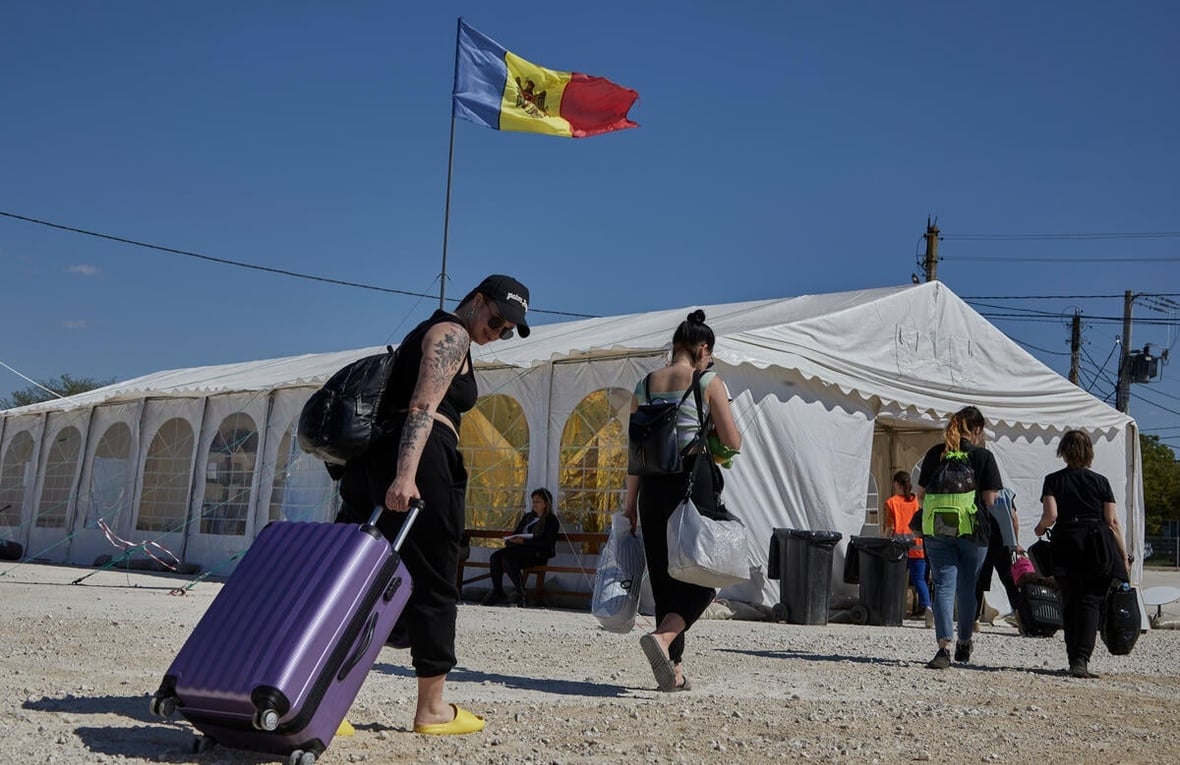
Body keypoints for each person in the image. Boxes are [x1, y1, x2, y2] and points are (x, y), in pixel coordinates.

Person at [334, 274, 531, 735]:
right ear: (476, 300)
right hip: (421, 458)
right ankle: (432, 708)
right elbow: (423, 405)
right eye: (497, 319)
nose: (497, 331)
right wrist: (406, 474)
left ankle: (324, 695)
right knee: (436, 575)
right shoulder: (451, 334)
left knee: (353, 576)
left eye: (507, 330)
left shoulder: (426, 333)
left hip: (375, 458)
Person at [622, 310, 742, 692]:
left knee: (664, 579)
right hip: (692, 482)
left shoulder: (644, 385)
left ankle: (672, 671)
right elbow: (733, 441)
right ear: (703, 348)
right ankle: (662, 639)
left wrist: (629, 507)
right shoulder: (708, 381)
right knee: (707, 575)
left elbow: (635, 454)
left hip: (652, 487)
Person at [1034, 429, 1130, 679]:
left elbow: (1051, 515)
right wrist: (1123, 555)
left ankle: (1072, 658)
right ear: (1089, 453)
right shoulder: (1101, 482)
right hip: (1097, 545)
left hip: (1067, 542)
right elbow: (1112, 521)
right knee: (1090, 603)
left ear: (1063, 452)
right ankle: (1082, 660)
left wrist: (1040, 528)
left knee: (1069, 601)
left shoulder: (1053, 480)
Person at [916, 405, 1002, 669]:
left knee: (943, 584)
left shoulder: (934, 454)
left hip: (938, 527)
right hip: (973, 531)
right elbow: (990, 499)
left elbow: (920, 495)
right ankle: (964, 641)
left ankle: (944, 648)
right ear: (976, 430)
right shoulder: (983, 457)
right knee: (967, 586)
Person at [482, 487, 560, 607]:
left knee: (508, 558)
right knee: (495, 557)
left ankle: (521, 594)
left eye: (538, 501)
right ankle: (498, 592)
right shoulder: (528, 517)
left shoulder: (551, 520)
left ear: (546, 503)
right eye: (533, 501)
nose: (534, 504)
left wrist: (524, 542)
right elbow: (518, 532)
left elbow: (546, 542)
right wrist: (512, 539)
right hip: (519, 549)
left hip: (537, 553)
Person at [882, 471, 932, 628]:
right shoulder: (916, 500)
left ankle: (892, 609)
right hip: (918, 546)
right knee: (919, 580)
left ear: (897, 484)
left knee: (894, 580)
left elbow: (890, 528)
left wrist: (884, 542)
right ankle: (928, 607)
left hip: (898, 548)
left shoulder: (891, 502)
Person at [974, 486, 1024, 632]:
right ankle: (1021, 614)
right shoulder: (1007, 494)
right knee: (1009, 580)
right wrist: (1015, 543)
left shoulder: (978, 492)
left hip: (983, 541)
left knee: (979, 581)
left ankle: (974, 619)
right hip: (1002, 542)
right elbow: (1014, 518)